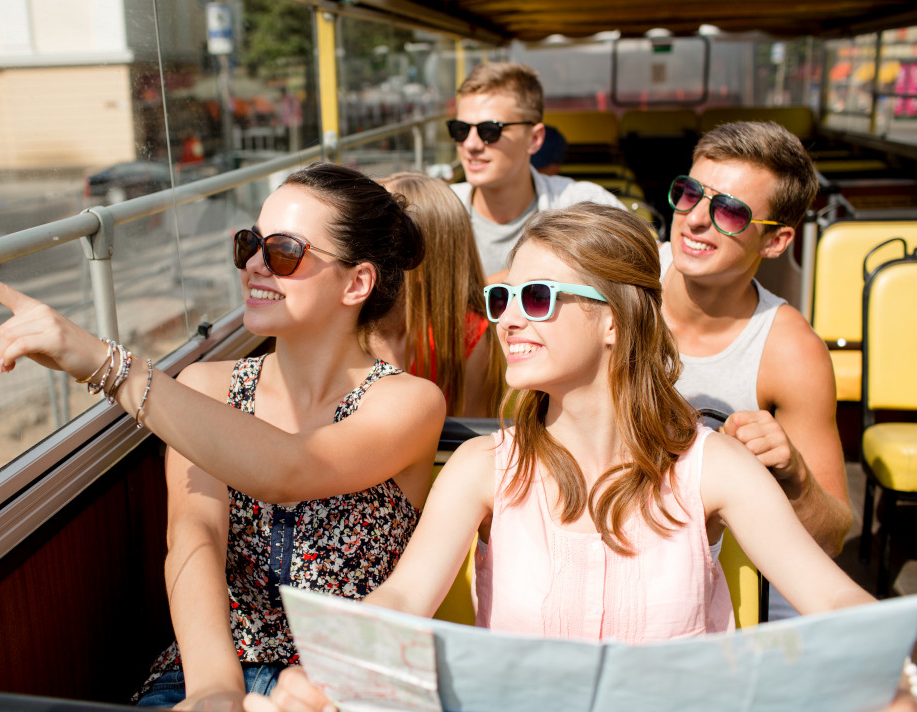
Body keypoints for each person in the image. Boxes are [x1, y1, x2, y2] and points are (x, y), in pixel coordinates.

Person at [240, 203, 887, 712]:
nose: (511, 320)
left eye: (539, 298)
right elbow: (404, 598)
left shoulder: (711, 466)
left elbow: (831, 598)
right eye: (503, 299)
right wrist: (326, 673)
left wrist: (893, 667)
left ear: (615, 319)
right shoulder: (481, 466)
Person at [0, 162, 447, 711]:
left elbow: (290, 470)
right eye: (250, 245)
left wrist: (106, 363)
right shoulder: (207, 388)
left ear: (357, 282)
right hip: (205, 667)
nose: (256, 265)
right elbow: (195, 541)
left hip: (344, 683)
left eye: (285, 251)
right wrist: (216, 691)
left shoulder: (408, 402)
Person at [660, 121, 852, 620]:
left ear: (775, 241)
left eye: (729, 210)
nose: (696, 220)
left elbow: (831, 536)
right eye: (689, 194)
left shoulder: (790, 351)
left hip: (736, 589)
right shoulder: (621, 278)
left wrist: (794, 474)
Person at [446, 61, 625, 282]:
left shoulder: (583, 205)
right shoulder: (436, 213)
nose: (471, 144)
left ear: (534, 139)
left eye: (489, 131)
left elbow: (652, 263)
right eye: (460, 130)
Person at [366, 172, 505, 418]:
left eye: (377, 235)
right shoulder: (351, 317)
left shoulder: (468, 335)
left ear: (415, 253)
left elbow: (469, 435)